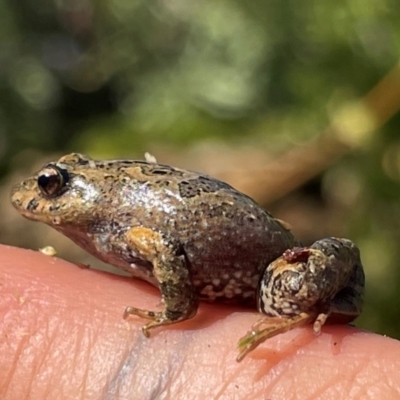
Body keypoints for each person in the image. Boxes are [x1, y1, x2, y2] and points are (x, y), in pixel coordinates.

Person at [1, 245, 399, 399]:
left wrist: (174, 311)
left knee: (300, 288)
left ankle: (329, 301)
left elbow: (166, 252)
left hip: (269, 271)